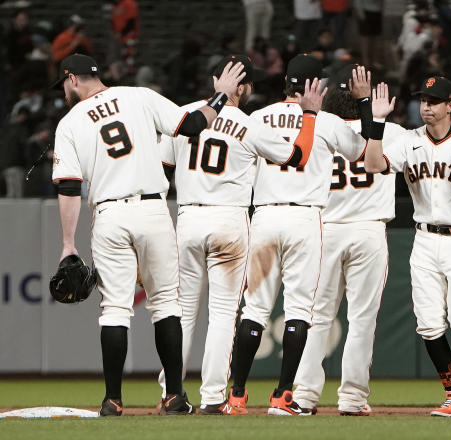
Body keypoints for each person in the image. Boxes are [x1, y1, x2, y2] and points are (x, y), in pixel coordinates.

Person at [50, 53, 245, 416]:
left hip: (109, 213)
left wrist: (67, 244)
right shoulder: (139, 95)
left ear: (72, 79)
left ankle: (112, 400)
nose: (63, 90)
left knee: (114, 310)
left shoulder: (70, 121)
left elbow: (69, 186)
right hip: (153, 209)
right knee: (167, 304)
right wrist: (220, 96)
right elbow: (191, 125)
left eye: (63, 83)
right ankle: (174, 396)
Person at [155, 54, 323, 415]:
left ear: (216, 80)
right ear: (241, 86)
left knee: (181, 312)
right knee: (221, 315)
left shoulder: (184, 115)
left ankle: (171, 393)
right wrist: (308, 116)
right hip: (230, 221)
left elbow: (161, 170)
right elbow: (298, 156)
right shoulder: (248, 125)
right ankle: (213, 396)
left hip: (187, 216)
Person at [227, 54, 367, 416]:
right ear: (315, 86)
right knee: (299, 310)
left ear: (285, 82)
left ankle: (236, 396)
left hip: (265, 216)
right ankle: (282, 397)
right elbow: (359, 152)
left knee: (254, 310)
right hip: (305, 220)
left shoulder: (257, 117)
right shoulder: (326, 121)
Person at [363, 76, 451, 417]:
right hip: (424, 238)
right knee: (428, 324)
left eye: (434, 100)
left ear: (450, 105)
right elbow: (372, 165)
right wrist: (378, 122)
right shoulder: (408, 140)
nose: (426, 106)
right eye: (423, 100)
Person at [293, 65, 406, 416]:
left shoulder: (320, 128)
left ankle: (304, 396)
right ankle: (353, 398)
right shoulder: (393, 131)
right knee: (361, 319)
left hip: (325, 228)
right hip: (368, 229)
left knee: (316, 318)